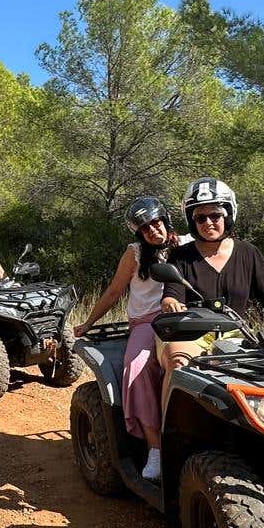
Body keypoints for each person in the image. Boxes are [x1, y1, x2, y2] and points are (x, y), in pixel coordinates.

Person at [148, 178, 264, 481]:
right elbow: (171, 293)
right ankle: (171, 445)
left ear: (229, 215)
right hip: (188, 331)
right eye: (200, 217)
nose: (209, 223)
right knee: (181, 364)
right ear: (192, 220)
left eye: (215, 215)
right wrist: (170, 303)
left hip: (236, 334)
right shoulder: (182, 256)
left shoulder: (247, 252)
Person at [72, 197, 185, 476]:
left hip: (183, 319)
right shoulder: (135, 253)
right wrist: (88, 322)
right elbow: (114, 291)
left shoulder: (185, 244)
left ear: (165, 220)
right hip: (147, 321)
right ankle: (155, 448)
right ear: (139, 233)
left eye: (156, 223)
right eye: (146, 228)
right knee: (136, 367)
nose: (153, 230)